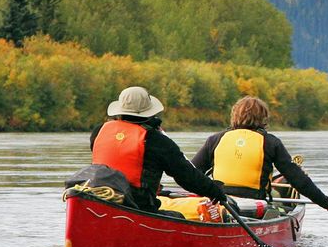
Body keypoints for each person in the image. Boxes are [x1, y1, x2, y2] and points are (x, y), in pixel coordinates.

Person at [90, 86, 229, 218]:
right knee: (179, 217)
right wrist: (215, 191)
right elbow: (187, 177)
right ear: (149, 113)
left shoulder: (99, 131)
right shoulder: (156, 140)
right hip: (139, 207)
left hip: (100, 199)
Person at [191, 96, 328, 212]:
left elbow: (191, 172)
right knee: (277, 198)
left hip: (220, 203)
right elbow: (297, 179)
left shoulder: (215, 140)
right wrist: (327, 203)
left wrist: (206, 192)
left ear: (234, 116)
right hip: (254, 205)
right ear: (263, 118)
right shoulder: (271, 142)